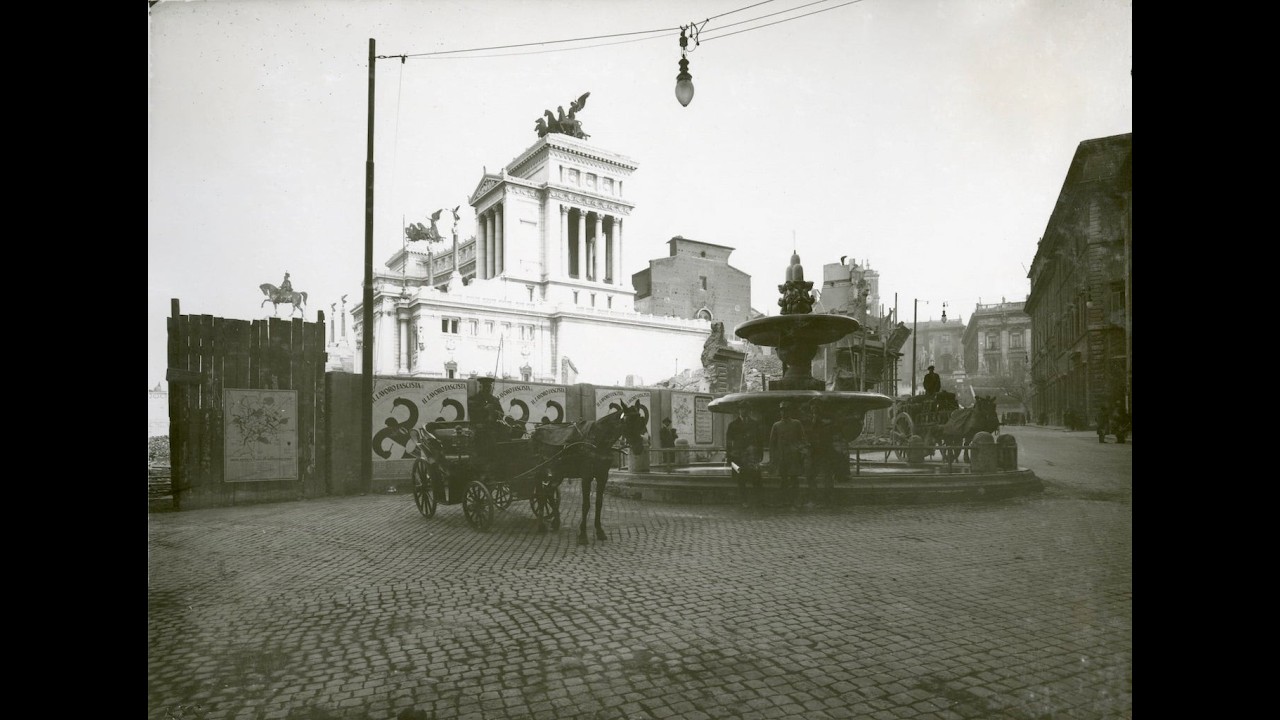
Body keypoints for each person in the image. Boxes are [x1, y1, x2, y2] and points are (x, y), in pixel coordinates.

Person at [769, 401, 807, 507]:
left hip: (794, 457)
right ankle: (783, 500)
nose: (784, 412)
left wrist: (801, 452)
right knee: (783, 480)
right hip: (782, 457)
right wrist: (773, 458)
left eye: (786, 410)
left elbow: (802, 439)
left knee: (794, 480)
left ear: (790, 411)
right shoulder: (776, 425)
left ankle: (796, 501)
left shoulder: (796, 423)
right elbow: (772, 443)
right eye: (782, 410)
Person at [801, 401, 837, 506]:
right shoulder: (810, 421)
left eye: (816, 408)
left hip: (824, 452)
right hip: (814, 452)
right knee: (810, 475)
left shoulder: (826, 421)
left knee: (827, 476)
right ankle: (815, 498)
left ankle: (827, 499)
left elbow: (828, 437)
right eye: (812, 408)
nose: (814, 410)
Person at [725, 406, 763, 506]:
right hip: (738, 456)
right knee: (741, 479)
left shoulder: (754, 424)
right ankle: (743, 501)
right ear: (739, 410)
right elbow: (729, 442)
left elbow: (759, 441)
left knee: (756, 478)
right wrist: (729, 456)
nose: (744, 411)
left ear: (749, 410)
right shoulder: (732, 425)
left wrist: (760, 454)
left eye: (745, 409)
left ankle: (757, 500)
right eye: (742, 409)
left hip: (752, 456)